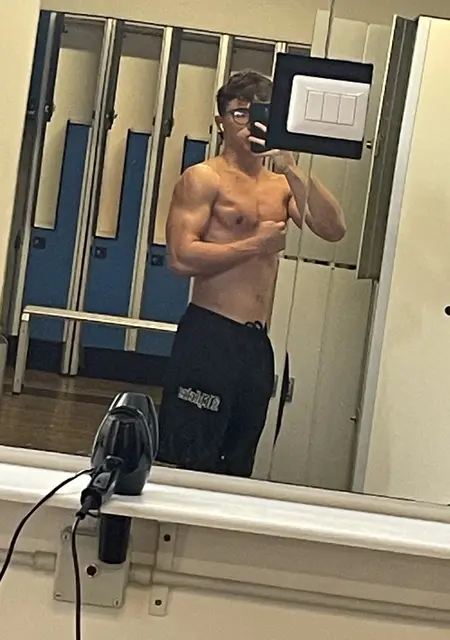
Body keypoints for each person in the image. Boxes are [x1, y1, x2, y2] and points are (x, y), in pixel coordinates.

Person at [156, 70, 346, 478]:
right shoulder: (204, 178)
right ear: (220, 121)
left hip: (256, 344)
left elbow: (333, 230)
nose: (248, 124)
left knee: (239, 461)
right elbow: (180, 259)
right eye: (239, 114)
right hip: (210, 335)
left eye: (258, 115)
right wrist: (254, 245)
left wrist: (292, 166)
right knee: (189, 457)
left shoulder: (281, 185)